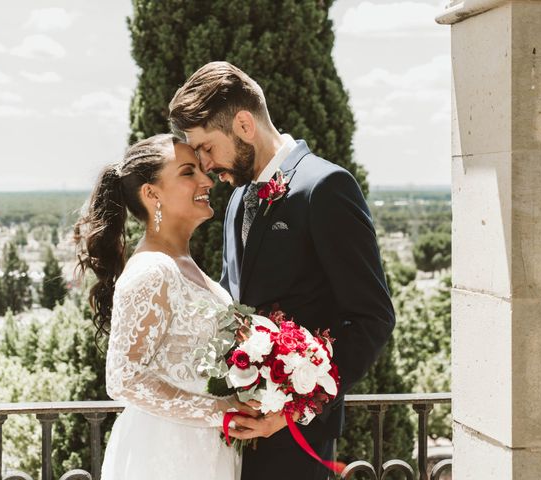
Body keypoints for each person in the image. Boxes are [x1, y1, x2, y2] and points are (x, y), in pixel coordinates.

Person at [169, 62, 396, 480]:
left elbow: (373, 317)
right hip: (236, 429)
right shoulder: (238, 199)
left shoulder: (326, 187)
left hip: (297, 438)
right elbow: (232, 302)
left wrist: (294, 408)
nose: (204, 164)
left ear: (243, 124)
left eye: (205, 147)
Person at [75, 133, 255, 480]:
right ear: (151, 193)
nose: (206, 180)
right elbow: (123, 380)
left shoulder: (185, 263)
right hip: (166, 453)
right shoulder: (152, 270)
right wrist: (219, 409)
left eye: (203, 170)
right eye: (189, 172)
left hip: (208, 448)